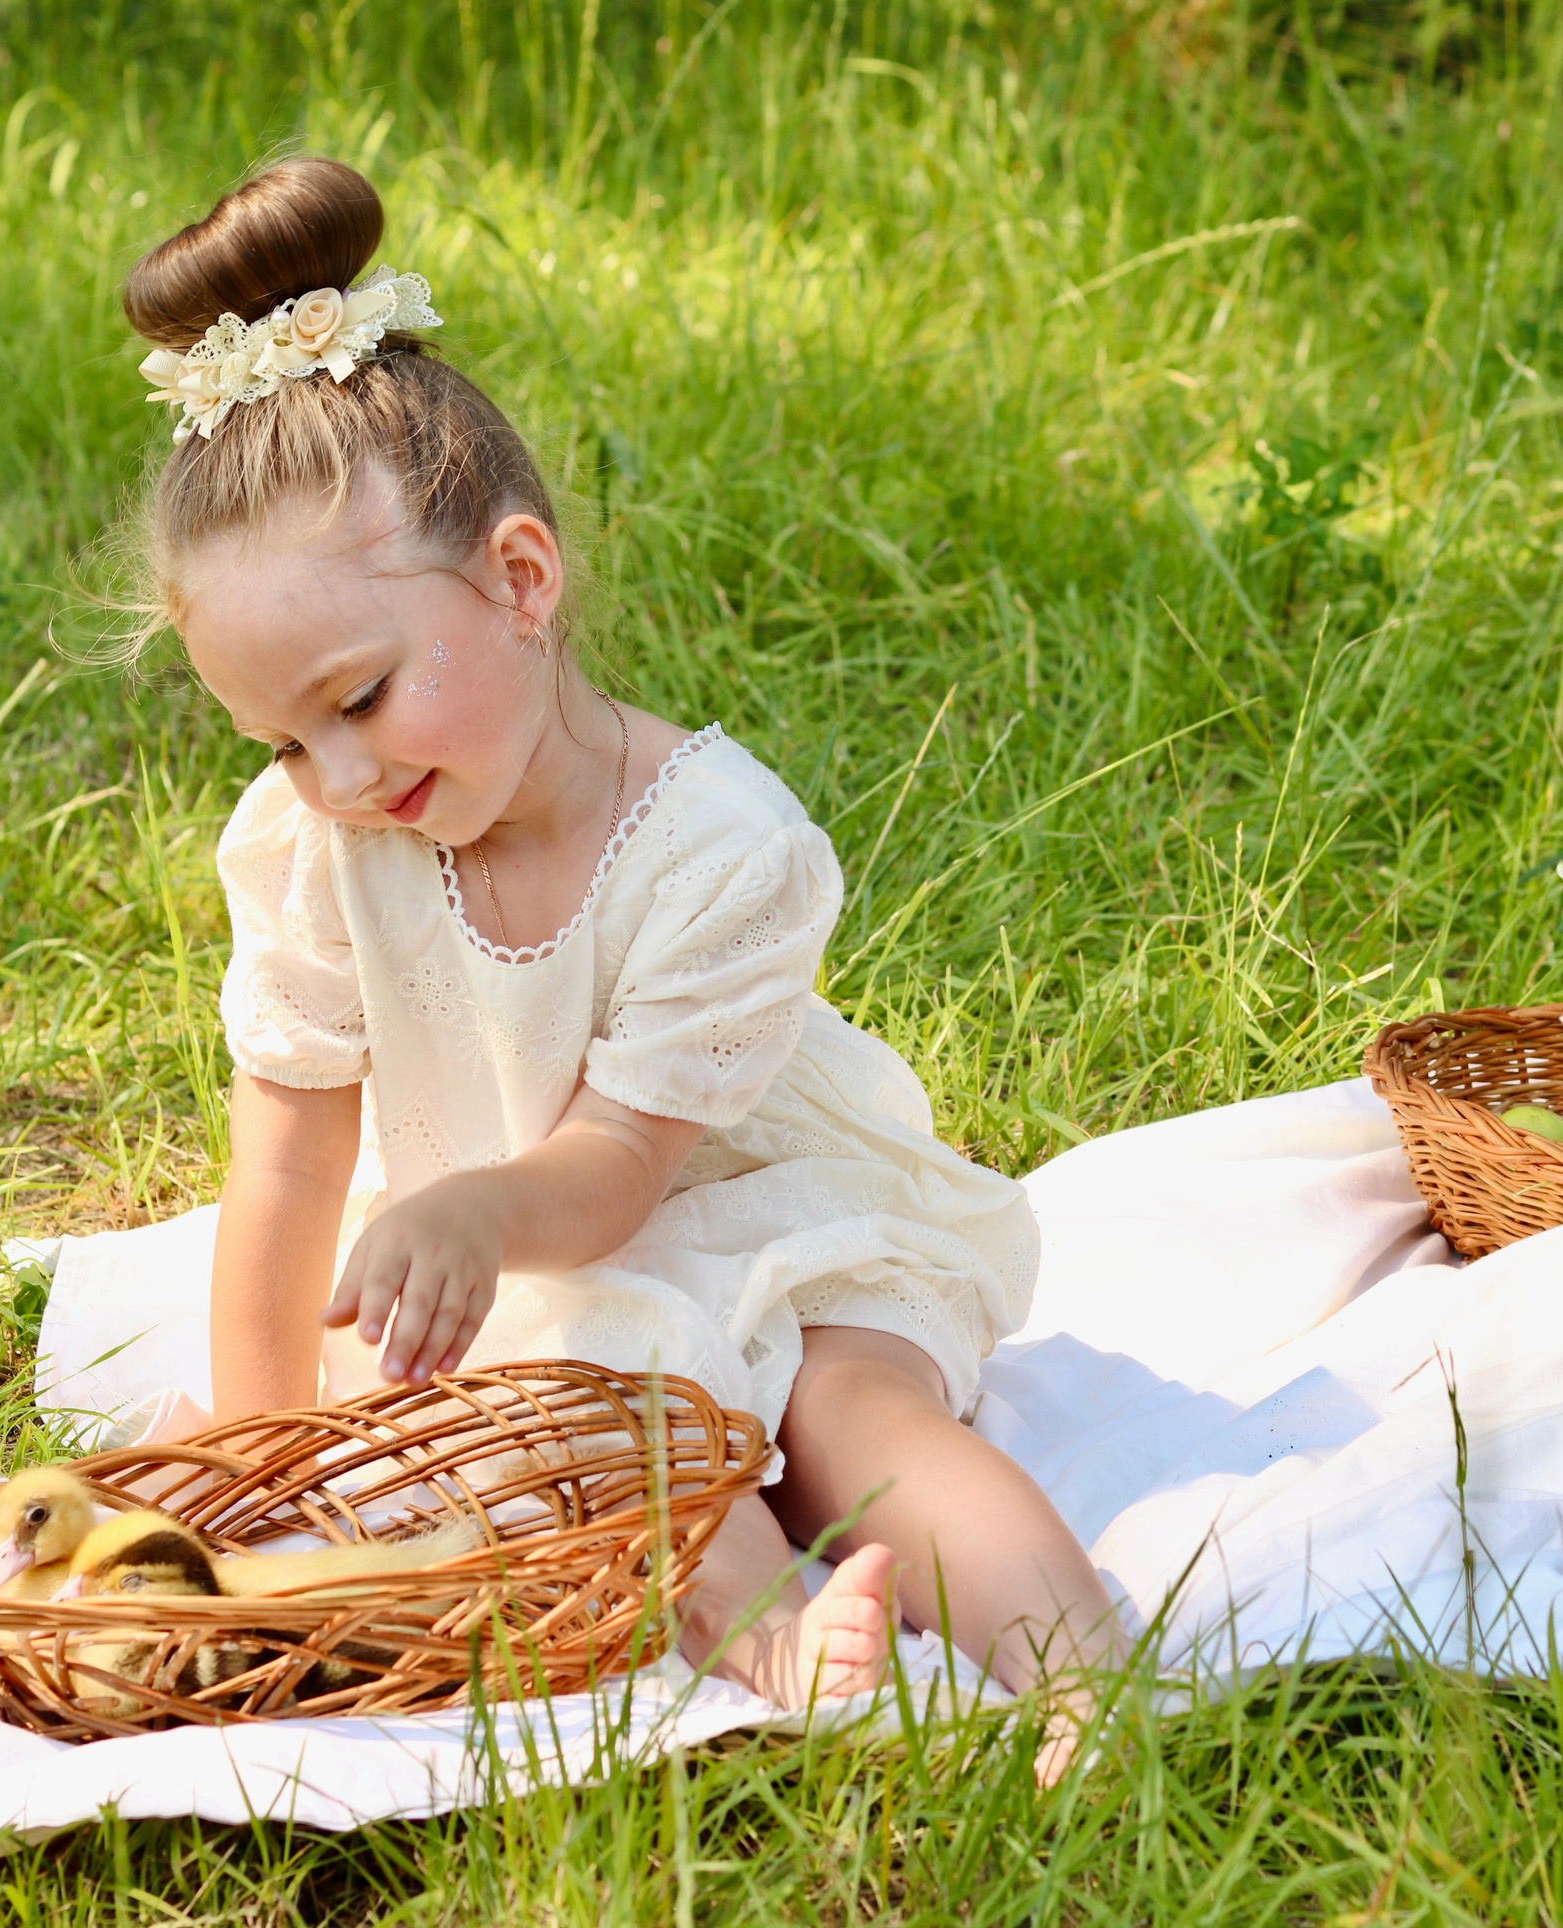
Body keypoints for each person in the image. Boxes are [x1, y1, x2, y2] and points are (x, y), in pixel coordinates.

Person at [112, 155, 1116, 1775]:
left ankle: (1083, 1679)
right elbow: (286, 1167)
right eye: (281, 740)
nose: (338, 775)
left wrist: (474, 1217)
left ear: (520, 580)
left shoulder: (717, 846)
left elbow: (619, 1173)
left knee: (846, 1418)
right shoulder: (317, 843)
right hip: (537, 1262)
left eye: (359, 700)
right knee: (583, 1429)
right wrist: (265, 1456)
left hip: (741, 1206)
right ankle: (774, 1636)